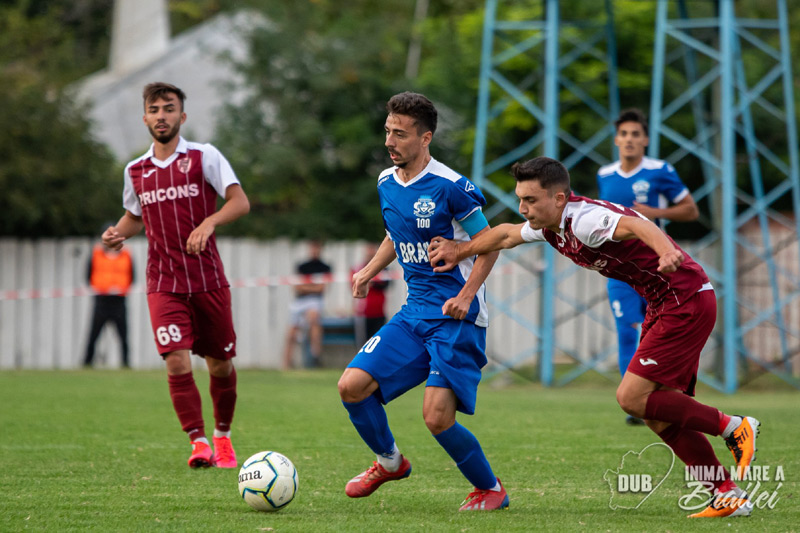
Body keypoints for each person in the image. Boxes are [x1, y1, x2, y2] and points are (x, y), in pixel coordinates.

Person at [428, 156, 760, 518]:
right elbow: (505, 234)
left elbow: (637, 224)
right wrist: (459, 249)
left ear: (558, 198)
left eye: (531, 200)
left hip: (684, 299)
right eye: (520, 199)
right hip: (664, 302)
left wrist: (667, 251)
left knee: (631, 397)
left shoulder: (584, 221)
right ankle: (726, 493)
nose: (523, 208)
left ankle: (733, 426)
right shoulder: (550, 226)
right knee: (657, 413)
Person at [337, 92, 509, 511]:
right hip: (414, 314)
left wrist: (466, 296)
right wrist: (368, 271)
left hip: (455, 318)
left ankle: (491, 490)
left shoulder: (451, 187)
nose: (389, 141)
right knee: (352, 386)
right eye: (387, 131)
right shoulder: (386, 182)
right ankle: (390, 462)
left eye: (400, 134)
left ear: (425, 138)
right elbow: (395, 235)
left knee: (436, 417)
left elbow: (489, 243)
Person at [101, 82, 250, 469]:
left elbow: (239, 202)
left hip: (207, 280)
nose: (161, 116)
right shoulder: (135, 170)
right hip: (163, 283)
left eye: (169, 108)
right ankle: (198, 443)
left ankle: (222, 437)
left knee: (220, 365)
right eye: (154, 109)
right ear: (145, 118)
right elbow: (135, 216)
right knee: (177, 362)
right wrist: (118, 233)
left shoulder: (204, 156)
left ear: (182, 116)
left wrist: (209, 222)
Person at [597, 108, 699, 425]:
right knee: (628, 331)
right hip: (620, 272)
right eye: (624, 134)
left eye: (635, 134)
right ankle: (635, 407)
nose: (629, 139)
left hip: (659, 268)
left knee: (661, 333)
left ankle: (667, 397)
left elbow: (691, 211)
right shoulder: (605, 174)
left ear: (645, 140)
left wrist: (655, 213)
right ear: (616, 140)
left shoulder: (659, 171)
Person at [282, 240, 332, 369]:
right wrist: (312, 287)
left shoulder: (325, 267)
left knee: (314, 320)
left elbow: (321, 288)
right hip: (299, 301)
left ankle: (315, 358)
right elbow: (297, 287)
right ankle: (286, 364)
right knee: (291, 331)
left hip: (315, 301)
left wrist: (306, 287)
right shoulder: (302, 266)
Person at [83, 242, 134, 368]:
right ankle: (87, 363)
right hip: (102, 300)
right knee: (93, 334)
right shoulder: (96, 254)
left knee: (123, 335)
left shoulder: (126, 255)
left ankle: (126, 364)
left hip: (119, 300)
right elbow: (88, 275)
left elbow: (132, 276)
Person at [352, 242, 391, 347]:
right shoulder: (359, 268)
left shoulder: (384, 269)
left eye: (373, 248)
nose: (371, 251)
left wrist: (370, 281)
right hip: (363, 312)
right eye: (369, 248)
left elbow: (385, 284)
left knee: (378, 343)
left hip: (379, 311)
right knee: (363, 343)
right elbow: (354, 287)